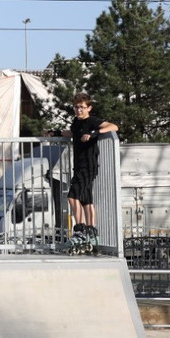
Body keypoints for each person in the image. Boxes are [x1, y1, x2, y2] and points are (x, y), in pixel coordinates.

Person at [61, 92, 118, 238]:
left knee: (72, 196)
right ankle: (91, 231)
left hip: (88, 165)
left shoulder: (92, 121)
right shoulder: (76, 122)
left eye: (81, 107)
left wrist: (95, 133)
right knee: (86, 199)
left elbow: (113, 127)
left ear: (89, 108)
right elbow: (73, 133)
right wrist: (55, 132)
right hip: (79, 165)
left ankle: (79, 230)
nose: (78, 110)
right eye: (76, 107)